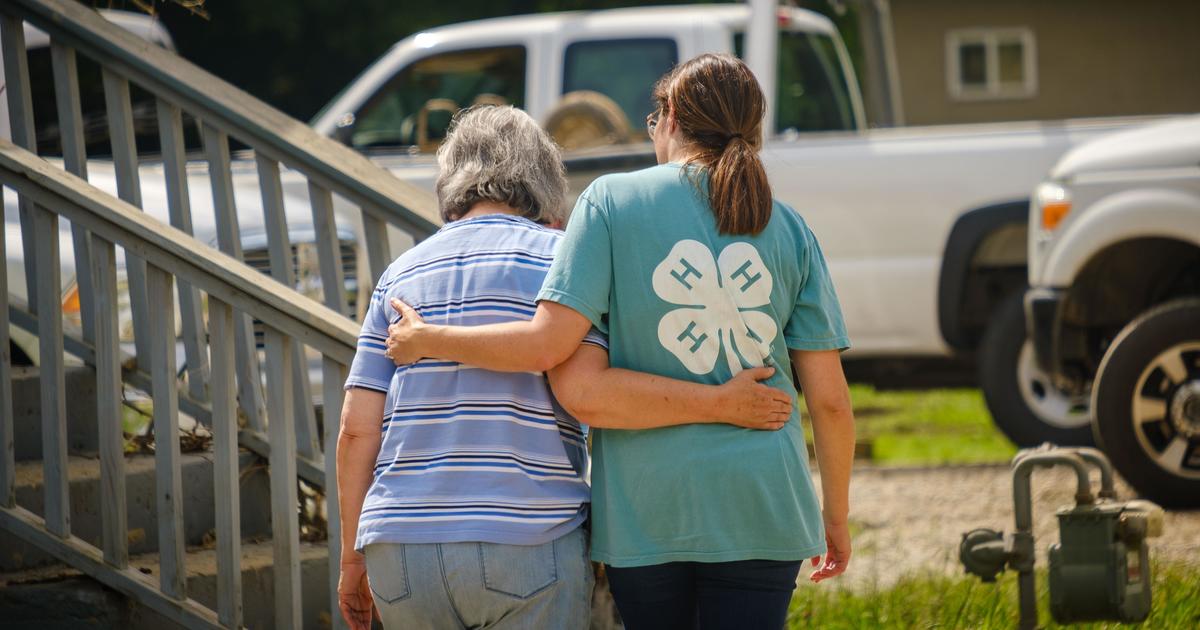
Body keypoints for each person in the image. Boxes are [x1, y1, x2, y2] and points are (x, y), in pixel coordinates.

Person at [384, 54, 857, 630]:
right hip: (765, 505)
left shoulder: (609, 204)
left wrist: (429, 338)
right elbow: (830, 402)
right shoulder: (790, 228)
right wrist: (833, 514)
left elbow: (559, 364)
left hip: (646, 514)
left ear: (671, 117)